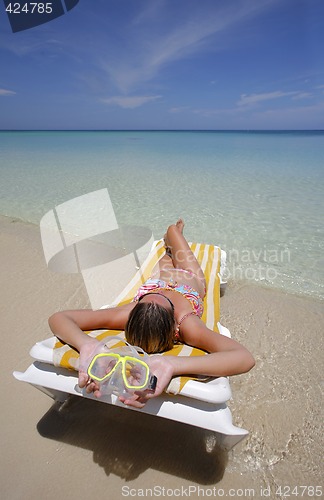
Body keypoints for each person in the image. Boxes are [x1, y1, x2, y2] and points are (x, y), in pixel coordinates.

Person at [49, 219, 255, 407]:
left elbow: (59, 318)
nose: (162, 293)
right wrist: (173, 364)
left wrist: (87, 344)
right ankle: (173, 237)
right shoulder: (187, 325)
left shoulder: (129, 313)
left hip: (158, 277)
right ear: (174, 325)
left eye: (147, 300)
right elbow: (244, 357)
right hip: (188, 276)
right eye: (163, 300)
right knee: (174, 232)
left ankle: (168, 246)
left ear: (137, 308)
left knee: (168, 249)